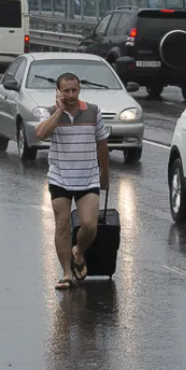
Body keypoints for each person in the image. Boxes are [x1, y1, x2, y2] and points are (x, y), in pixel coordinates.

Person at [34, 73, 109, 291]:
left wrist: (105, 173)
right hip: (60, 176)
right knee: (63, 223)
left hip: (88, 176)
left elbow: (102, 143)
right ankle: (67, 273)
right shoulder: (48, 112)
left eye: (74, 90)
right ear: (58, 92)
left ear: (79, 90)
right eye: (65, 91)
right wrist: (59, 111)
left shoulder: (93, 111)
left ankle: (78, 252)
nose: (70, 95)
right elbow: (40, 134)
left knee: (89, 225)